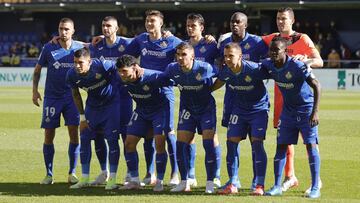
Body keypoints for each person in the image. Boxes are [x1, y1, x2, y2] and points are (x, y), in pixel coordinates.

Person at [262, 7, 323, 193]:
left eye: (284, 19)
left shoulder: (302, 39)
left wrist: (304, 61)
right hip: (283, 98)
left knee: (309, 141)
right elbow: (246, 39)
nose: (281, 22)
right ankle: (290, 176)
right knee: (284, 141)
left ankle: (316, 181)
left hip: (301, 96)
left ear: (292, 20)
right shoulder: (272, 39)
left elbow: (319, 61)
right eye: (278, 18)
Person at [124, 10, 182, 186]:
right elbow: (125, 54)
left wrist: (208, 39)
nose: (149, 23)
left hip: (164, 93)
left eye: (153, 21)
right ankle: (148, 174)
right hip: (144, 94)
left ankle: (175, 173)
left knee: (166, 135)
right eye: (147, 20)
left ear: (161, 23)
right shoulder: (141, 39)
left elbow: (189, 49)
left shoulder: (171, 41)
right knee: (147, 136)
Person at [217, 11, 268, 191]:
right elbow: (218, 65)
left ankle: (258, 183)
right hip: (234, 98)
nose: (234, 25)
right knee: (232, 140)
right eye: (232, 22)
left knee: (257, 143)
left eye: (238, 22)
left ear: (245, 24)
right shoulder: (224, 42)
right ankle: (234, 181)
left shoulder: (256, 43)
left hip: (256, 102)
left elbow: (269, 63)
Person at [161, 42, 218, 193]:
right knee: (180, 145)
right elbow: (162, 79)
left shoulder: (204, 68)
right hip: (187, 110)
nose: (180, 58)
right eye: (178, 55)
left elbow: (223, 75)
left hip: (206, 109)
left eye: (184, 55)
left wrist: (211, 88)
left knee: (208, 144)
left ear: (192, 56)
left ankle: (210, 183)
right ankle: (184, 182)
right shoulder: (172, 68)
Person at [32, 17, 82, 185]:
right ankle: (49, 174)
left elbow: (94, 47)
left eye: (67, 29)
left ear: (73, 31)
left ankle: (72, 173)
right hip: (52, 98)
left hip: (72, 98)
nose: (63, 32)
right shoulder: (49, 47)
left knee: (74, 135)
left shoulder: (79, 48)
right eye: (61, 29)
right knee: (48, 136)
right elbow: (38, 69)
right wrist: (34, 91)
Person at [115, 55, 173, 192]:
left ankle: (159, 181)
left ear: (135, 67)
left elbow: (173, 80)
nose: (122, 74)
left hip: (159, 111)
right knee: (129, 143)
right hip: (141, 111)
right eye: (120, 71)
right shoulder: (121, 78)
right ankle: (134, 180)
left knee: (159, 143)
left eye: (124, 71)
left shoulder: (152, 77)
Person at [66, 47, 121, 190]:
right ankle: (85, 178)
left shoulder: (102, 65)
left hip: (110, 106)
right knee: (85, 138)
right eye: (75, 62)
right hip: (92, 108)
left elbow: (120, 68)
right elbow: (76, 94)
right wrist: (82, 117)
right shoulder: (71, 74)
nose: (77, 66)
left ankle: (112, 179)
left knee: (112, 140)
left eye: (81, 63)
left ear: (89, 62)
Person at [89, 16, 133, 186]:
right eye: (103, 25)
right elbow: (83, 49)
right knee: (99, 135)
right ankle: (103, 172)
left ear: (116, 28)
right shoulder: (97, 45)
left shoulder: (127, 44)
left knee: (126, 136)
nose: (105, 28)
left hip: (123, 98)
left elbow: (145, 40)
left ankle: (130, 173)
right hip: (103, 100)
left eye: (109, 26)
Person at [185, 13, 221, 188]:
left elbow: (224, 63)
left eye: (193, 25)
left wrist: (211, 87)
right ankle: (191, 175)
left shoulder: (210, 45)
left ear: (202, 28)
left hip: (205, 99)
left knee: (211, 138)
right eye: (188, 25)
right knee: (188, 137)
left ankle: (216, 176)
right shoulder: (181, 46)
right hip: (187, 100)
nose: (190, 28)